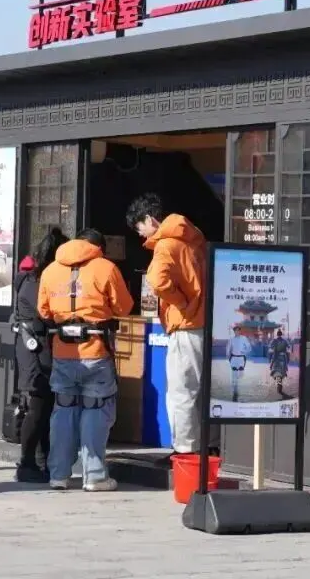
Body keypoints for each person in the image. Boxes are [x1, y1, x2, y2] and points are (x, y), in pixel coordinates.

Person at [38, 228, 133, 491]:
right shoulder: (105, 267)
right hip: (95, 351)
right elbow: (124, 307)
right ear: (99, 248)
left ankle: (58, 475)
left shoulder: (50, 270)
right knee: (96, 409)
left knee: (63, 409)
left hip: (62, 353)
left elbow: (43, 311)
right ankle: (94, 476)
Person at [125, 193, 217, 459]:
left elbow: (157, 281)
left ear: (150, 219)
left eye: (139, 227)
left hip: (186, 324)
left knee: (181, 390)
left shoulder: (165, 245)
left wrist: (180, 302)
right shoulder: (194, 240)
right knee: (204, 390)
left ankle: (185, 450)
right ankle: (210, 444)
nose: (140, 235)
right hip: (206, 322)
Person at [11, 227, 68, 483]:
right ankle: (26, 463)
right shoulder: (37, 281)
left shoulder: (30, 277)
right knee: (37, 405)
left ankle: (41, 461)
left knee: (43, 406)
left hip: (34, 346)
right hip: (35, 348)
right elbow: (46, 313)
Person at [226, 332, 254, 402]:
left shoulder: (244, 338)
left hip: (241, 358)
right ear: (234, 331)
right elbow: (228, 348)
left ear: (239, 331)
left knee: (240, 374)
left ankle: (238, 379)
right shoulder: (231, 339)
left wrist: (244, 352)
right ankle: (235, 391)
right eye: (235, 330)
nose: (237, 332)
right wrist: (228, 355)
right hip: (234, 358)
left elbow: (249, 348)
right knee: (234, 374)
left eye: (238, 330)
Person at [268, 329, 291, 397]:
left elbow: (270, 350)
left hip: (276, 358)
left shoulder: (274, 340)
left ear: (277, 334)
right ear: (281, 334)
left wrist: (270, 358)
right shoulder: (285, 341)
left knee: (277, 373)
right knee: (282, 372)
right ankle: (279, 384)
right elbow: (289, 349)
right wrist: (287, 357)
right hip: (283, 358)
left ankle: (279, 384)